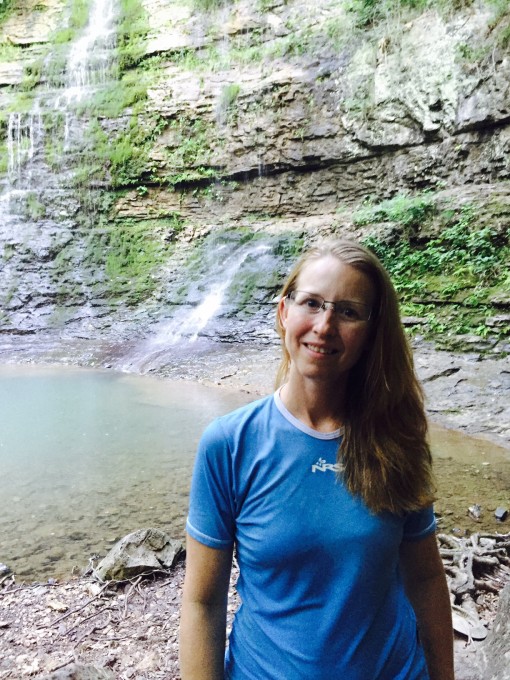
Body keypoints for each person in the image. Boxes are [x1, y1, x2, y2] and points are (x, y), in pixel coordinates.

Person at [179, 239, 454, 680]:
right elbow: (202, 601)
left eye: (348, 311)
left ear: (370, 332)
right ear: (283, 312)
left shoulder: (398, 440)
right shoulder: (229, 444)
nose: (324, 325)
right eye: (312, 303)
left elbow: (425, 579)